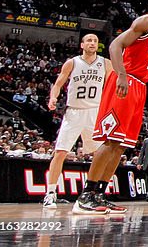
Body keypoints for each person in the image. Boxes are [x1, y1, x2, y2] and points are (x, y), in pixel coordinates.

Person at [73, 0, 148, 215]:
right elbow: (114, 46)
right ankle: (86, 196)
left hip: (139, 85)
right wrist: (120, 75)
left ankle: (100, 194)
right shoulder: (146, 21)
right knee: (110, 141)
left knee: (120, 146)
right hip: (125, 81)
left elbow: (144, 68)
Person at [43, 33, 109, 209]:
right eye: (89, 40)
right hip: (73, 112)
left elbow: (114, 84)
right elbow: (57, 84)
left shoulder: (105, 63)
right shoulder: (72, 62)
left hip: (94, 112)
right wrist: (53, 98)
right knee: (60, 152)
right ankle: (50, 193)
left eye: (95, 41)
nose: (92, 43)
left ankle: (94, 193)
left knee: (99, 155)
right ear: (82, 44)